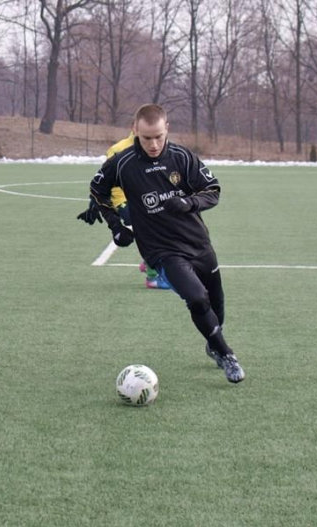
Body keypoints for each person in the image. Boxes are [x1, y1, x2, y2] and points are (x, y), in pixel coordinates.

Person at [87, 103, 244, 383]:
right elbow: (97, 191)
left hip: (198, 243)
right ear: (136, 131)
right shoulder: (122, 163)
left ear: (167, 129)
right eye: (147, 138)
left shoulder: (183, 157)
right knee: (196, 298)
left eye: (159, 136)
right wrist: (115, 226)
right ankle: (227, 355)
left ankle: (213, 343)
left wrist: (187, 202)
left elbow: (213, 191)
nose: (154, 144)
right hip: (161, 250)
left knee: (216, 306)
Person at [77, 121, 171, 289]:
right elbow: (103, 180)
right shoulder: (119, 149)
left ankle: (149, 260)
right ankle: (153, 276)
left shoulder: (152, 149)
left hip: (144, 199)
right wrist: (94, 205)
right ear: (134, 129)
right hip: (123, 201)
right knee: (152, 229)